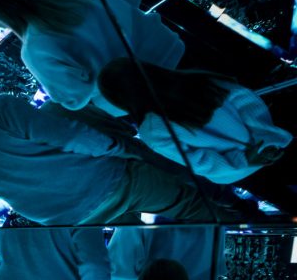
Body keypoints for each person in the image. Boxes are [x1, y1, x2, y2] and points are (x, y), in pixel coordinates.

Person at [0, 63, 231, 225]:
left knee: (143, 245)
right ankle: (246, 222)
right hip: (109, 182)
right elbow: (68, 134)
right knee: (192, 206)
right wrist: (121, 148)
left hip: (72, 219)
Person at [0, 0, 183, 115]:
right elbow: (131, 0)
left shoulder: (33, 50)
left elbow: (73, 97)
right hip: (169, 47)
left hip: (142, 93)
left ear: (2, 18)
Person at [98, 59, 294, 185]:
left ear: (120, 101)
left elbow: (199, 162)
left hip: (247, 169)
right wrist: (264, 138)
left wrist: (245, 160)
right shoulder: (196, 78)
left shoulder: (152, 131)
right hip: (273, 139)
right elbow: (245, 100)